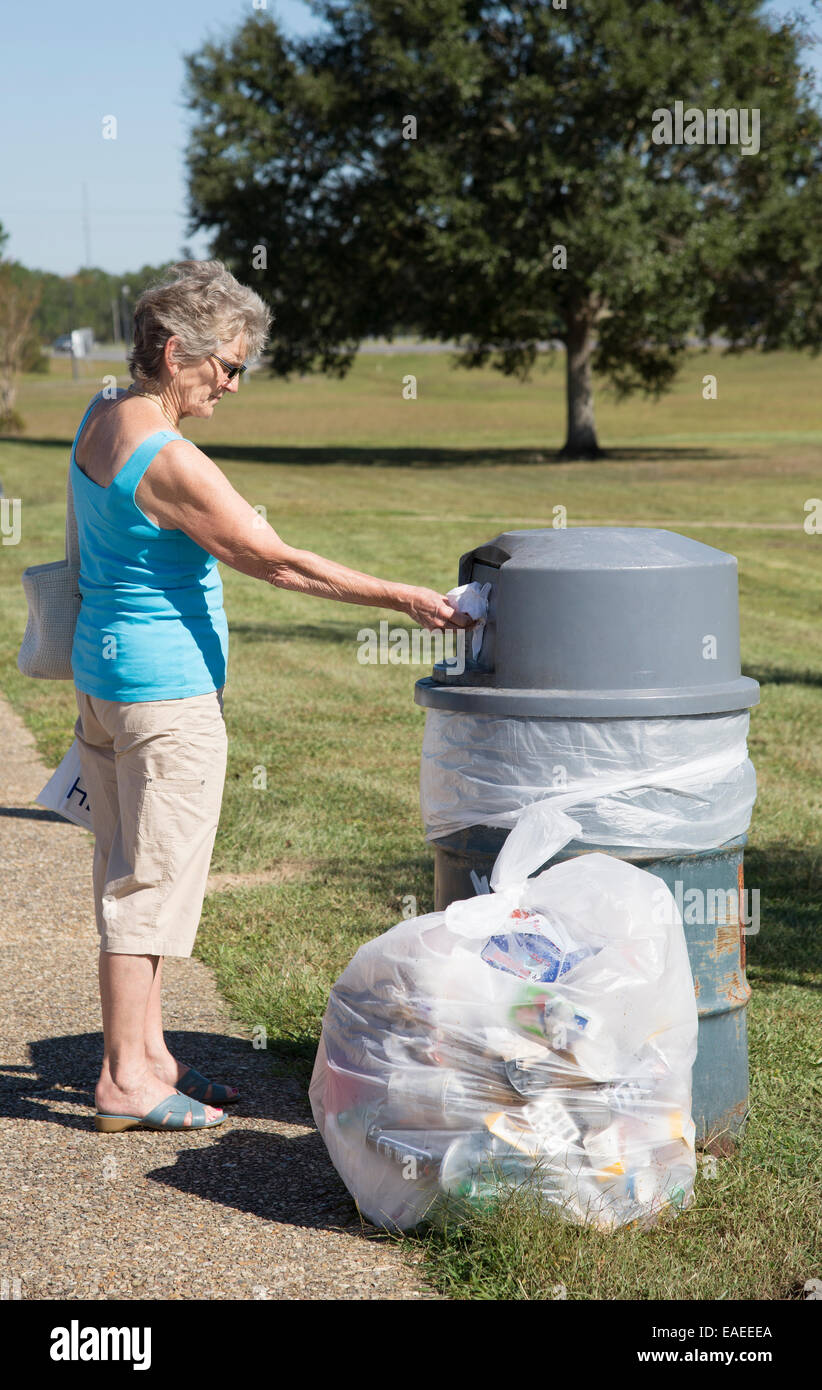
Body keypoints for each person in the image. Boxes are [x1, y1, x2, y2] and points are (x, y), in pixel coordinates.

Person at [70, 259, 472, 1133]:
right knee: (151, 886)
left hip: (105, 684)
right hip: (165, 697)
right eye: (227, 367)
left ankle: (152, 1057)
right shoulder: (167, 455)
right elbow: (280, 564)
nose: (235, 384)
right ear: (177, 352)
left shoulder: (101, 415)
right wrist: (404, 598)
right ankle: (124, 1081)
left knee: (131, 873)